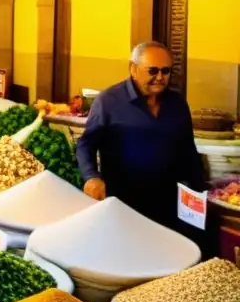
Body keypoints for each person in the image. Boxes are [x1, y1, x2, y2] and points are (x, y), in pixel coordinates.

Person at [76, 41, 204, 233]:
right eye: (152, 71)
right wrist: (91, 177)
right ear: (133, 69)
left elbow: (188, 151)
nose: (160, 77)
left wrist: (199, 192)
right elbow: (86, 144)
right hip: (122, 204)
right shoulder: (108, 101)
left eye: (166, 71)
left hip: (167, 207)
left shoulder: (177, 104)